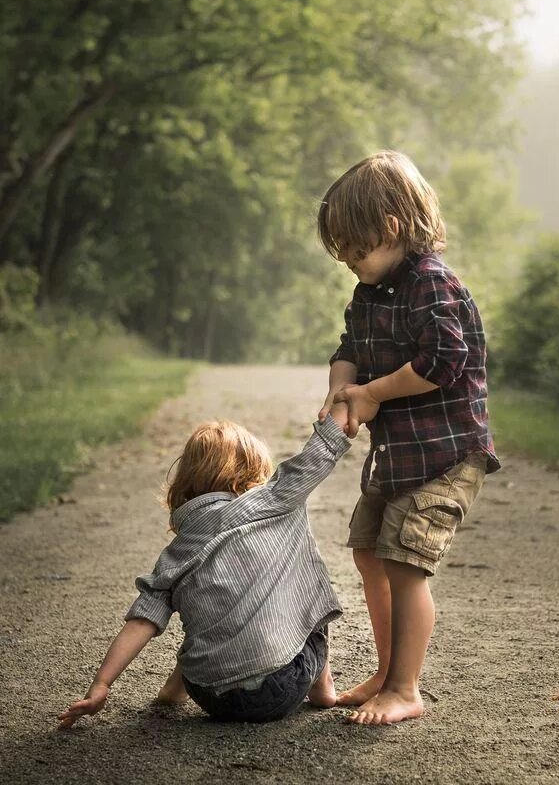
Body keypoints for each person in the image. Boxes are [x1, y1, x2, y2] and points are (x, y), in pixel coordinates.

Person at [317, 149, 501, 726]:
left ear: (391, 229)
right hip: (398, 455)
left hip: (445, 455)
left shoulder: (433, 285)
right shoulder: (369, 293)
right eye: (340, 253)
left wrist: (373, 396)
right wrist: (341, 392)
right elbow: (349, 348)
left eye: (354, 248)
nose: (348, 261)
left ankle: (405, 687)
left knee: (404, 562)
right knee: (369, 551)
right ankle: (386, 669)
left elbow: (445, 359)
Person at [58, 411, 350, 729]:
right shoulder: (268, 503)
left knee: (215, 612)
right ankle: (323, 690)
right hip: (276, 690)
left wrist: (102, 684)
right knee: (307, 587)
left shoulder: (177, 550)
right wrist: (339, 417)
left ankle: (175, 689)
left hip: (209, 694)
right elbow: (311, 462)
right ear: (249, 475)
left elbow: (141, 620)